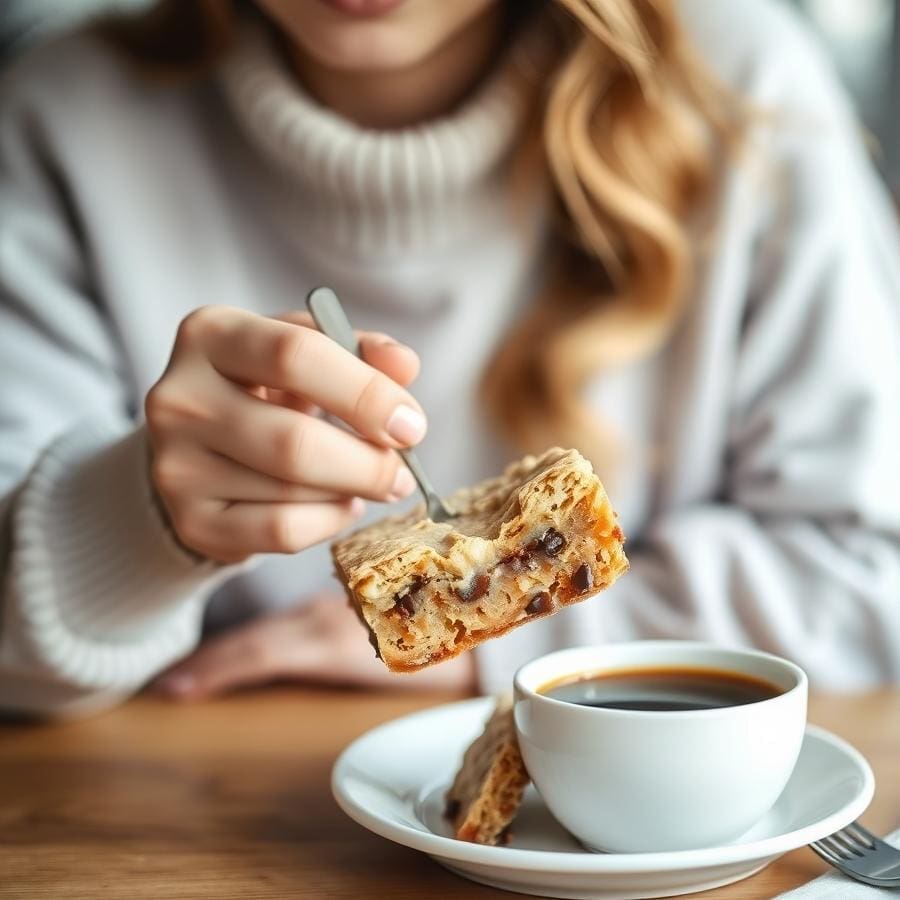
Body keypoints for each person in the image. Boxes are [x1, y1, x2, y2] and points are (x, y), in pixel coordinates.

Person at [1, 0, 898, 717]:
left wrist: (500, 640)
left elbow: (872, 574)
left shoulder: (742, 84)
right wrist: (142, 520)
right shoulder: (58, 114)